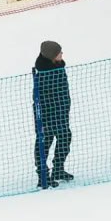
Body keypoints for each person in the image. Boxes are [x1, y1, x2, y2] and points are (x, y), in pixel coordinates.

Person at [32, 40, 72, 189]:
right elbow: (40, 98)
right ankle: (42, 174)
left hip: (61, 112)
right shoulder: (43, 73)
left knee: (65, 137)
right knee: (44, 142)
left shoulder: (59, 67)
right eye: (59, 52)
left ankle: (58, 169)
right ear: (51, 56)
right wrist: (45, 118)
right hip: (47, 116)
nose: (62, 54)